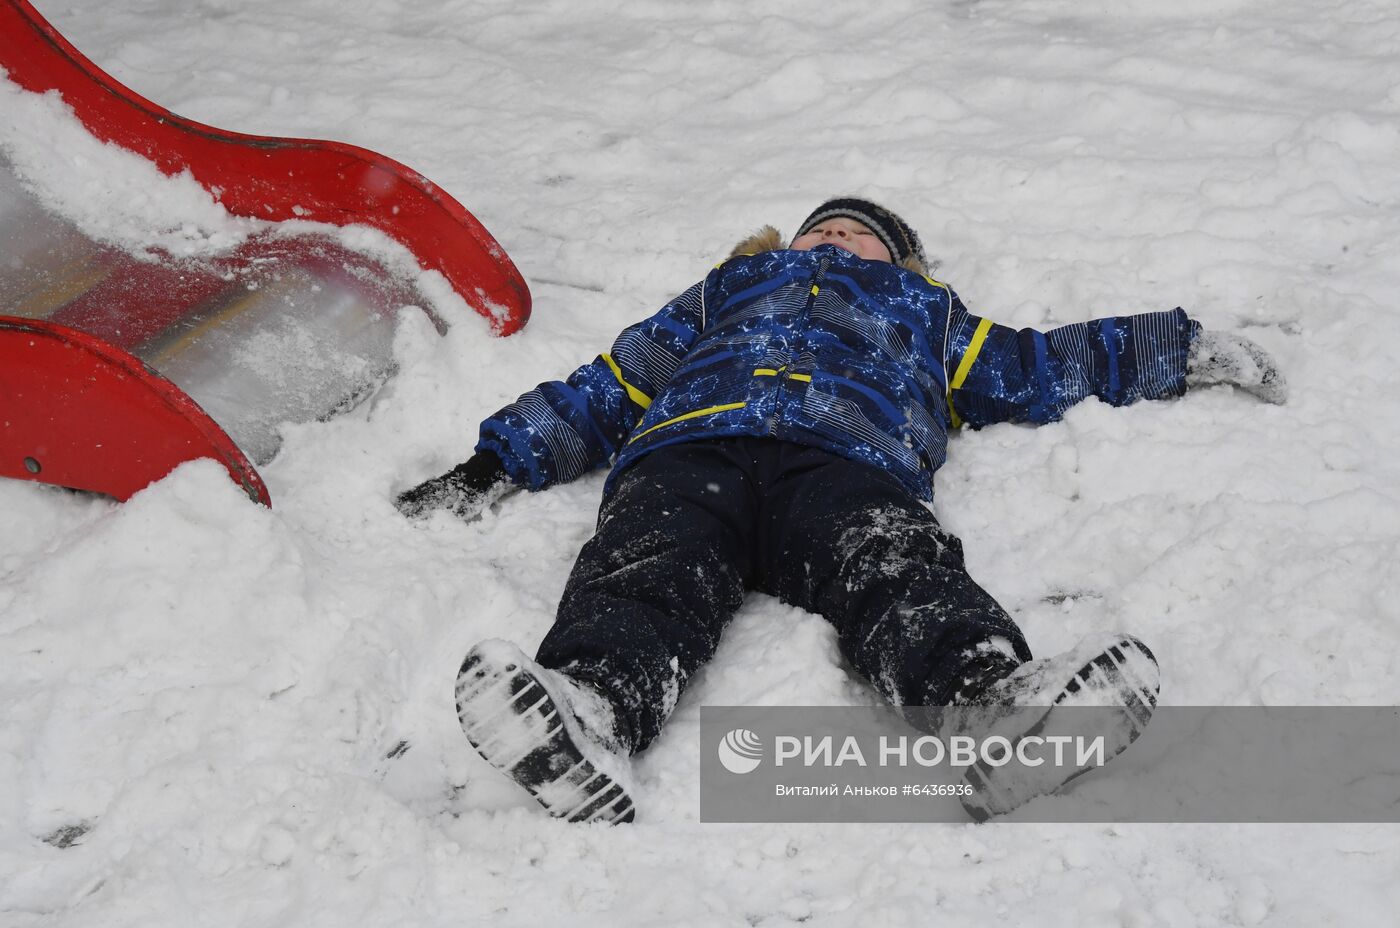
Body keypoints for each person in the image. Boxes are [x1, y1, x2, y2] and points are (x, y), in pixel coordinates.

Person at [396, 197, 1285, 824]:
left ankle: (985, 705)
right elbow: (617, 382)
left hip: (846, 459)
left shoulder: (926, 316)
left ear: (900, 262)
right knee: (643, 570)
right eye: (823, 224)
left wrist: (1181, 348)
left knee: (895, 568)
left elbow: (1040, 366)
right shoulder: (725, 293)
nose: (835, 235)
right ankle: (591, 710)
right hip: (691, 452)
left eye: (859, 232)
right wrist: (498, 459)